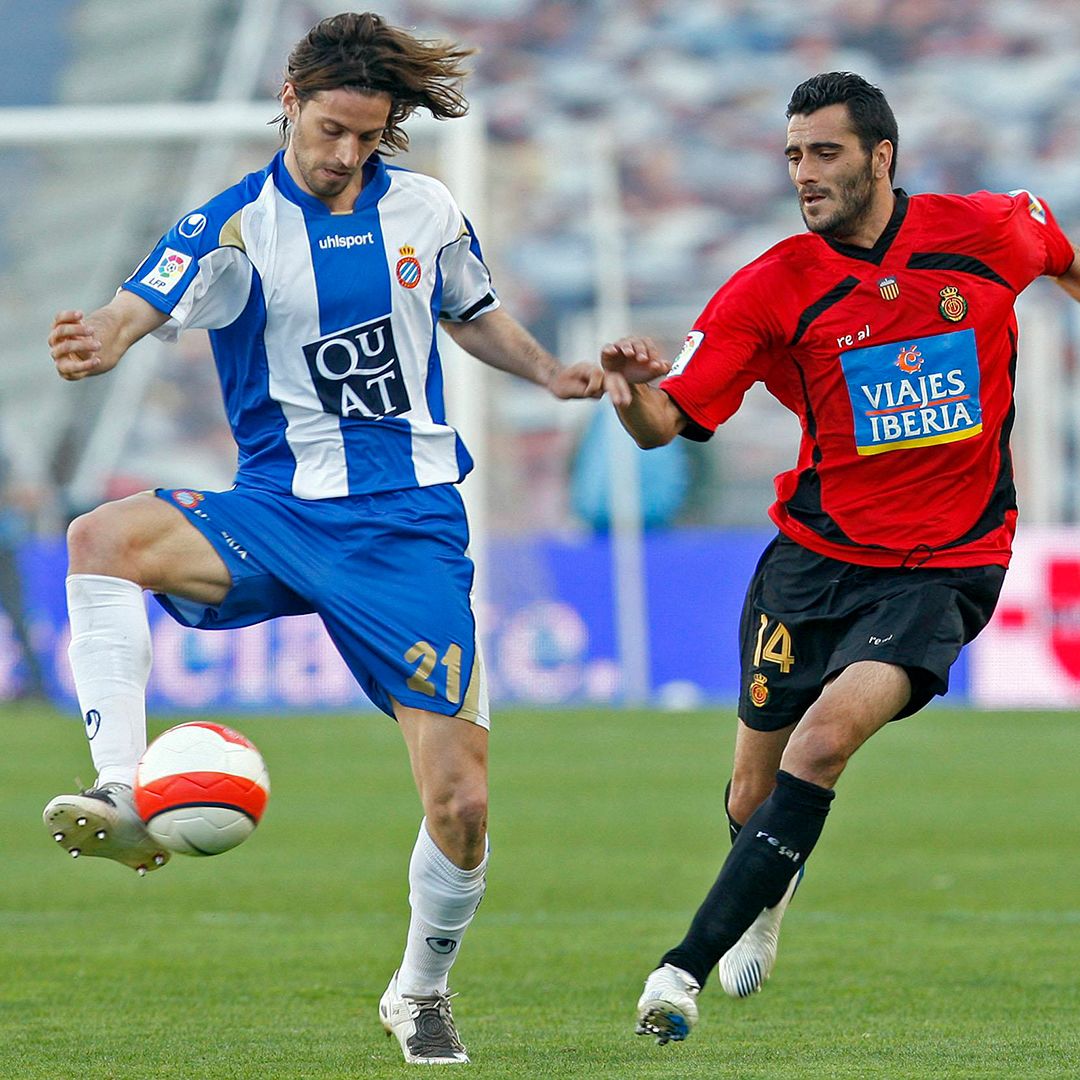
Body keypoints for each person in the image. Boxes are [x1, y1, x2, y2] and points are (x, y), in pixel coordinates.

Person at [43, 12, 613, 1066]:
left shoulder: (427, 208)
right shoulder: (232, 224)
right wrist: (99, 341)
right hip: (280, 513)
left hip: (410, 529)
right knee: (102, 538)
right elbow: (136, 306)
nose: (347, 154)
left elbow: (471, 310)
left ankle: (419, 991)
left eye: (368, 135)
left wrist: (549, 372)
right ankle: (121, 785)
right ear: (291, 103)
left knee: (462, 803)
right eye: (331, 131)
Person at [599, 71, 1080, 1045]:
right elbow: (666, 423)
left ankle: (678, 972)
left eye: (824, 152)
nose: (804, 173)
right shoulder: (771, 287)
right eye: (792, 156)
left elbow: (1063, 256)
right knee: (752, 796)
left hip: (947, 563)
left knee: (820, 744)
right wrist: (629, 394)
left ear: (881, 156)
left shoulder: (990, 231)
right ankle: (768, 891)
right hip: (813, 562)